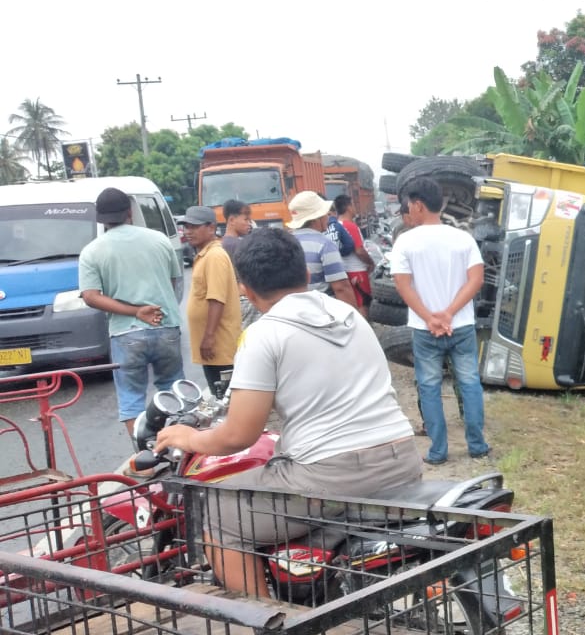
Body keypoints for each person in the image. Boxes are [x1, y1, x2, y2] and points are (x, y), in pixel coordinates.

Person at [153, 228, 423, 597]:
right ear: (306, 274)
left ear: (245, 288)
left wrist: (189, 436)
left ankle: (268, 628)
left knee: (215, 513)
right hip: (402, 459)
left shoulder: (266, 334)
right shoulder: (348, 314)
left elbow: (239, 435)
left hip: (334, 475)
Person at [391, 176, 490, 466]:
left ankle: (438, 451)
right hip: (460, 325)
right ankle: (477, 445)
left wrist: (430, 317)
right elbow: (477, 279)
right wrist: (449, 313)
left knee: (430, 386)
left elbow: (402, 285)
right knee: (470, 382)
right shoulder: (463, 238)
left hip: (425, 330)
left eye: (410, 204)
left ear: (418, 205)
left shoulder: (405, 242)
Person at [78, 187, 185, 438]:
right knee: (172, 389)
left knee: (131, 397)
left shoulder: (92, 251)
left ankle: (145, 458)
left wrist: (135, 312)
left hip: (125, 333)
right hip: (166, 325)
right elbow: (172, 282)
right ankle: (177, 446)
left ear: (100, 218)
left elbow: (91, 296)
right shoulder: (159, 239)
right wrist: (150, 309)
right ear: (129, 211)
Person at [178, 206, 241, 392]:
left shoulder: (214, 256)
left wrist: (209, 337)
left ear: (211, 228)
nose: (188, 232)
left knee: (224, 397)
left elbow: (217, 299)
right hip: (214, 347)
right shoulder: (205, 255)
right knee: (218, 394)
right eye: (186, 227)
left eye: (194, 227)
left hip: (219, 346)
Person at [286, 191, 358, 309]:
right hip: (322, 312)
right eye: (325, 214)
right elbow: (341, 288)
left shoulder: (284, 243)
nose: (328, 218)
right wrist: (353, 320)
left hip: (293, 312)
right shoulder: (324, 245)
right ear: (316, 219)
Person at [334, 194, 376, 317]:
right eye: (353, 205)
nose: (355, 208)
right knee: (363, 303)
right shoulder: (350, 226)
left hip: (343, 271)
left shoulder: (335, 226)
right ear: (348, 207)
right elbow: (359, 251)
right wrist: (370, 263)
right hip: (357, 271)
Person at [221, 199, 261, 329]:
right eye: (246, 219)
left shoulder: (222, 243)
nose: (249, 224)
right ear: (232, 220)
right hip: (244, 300)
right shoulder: (238, 245)